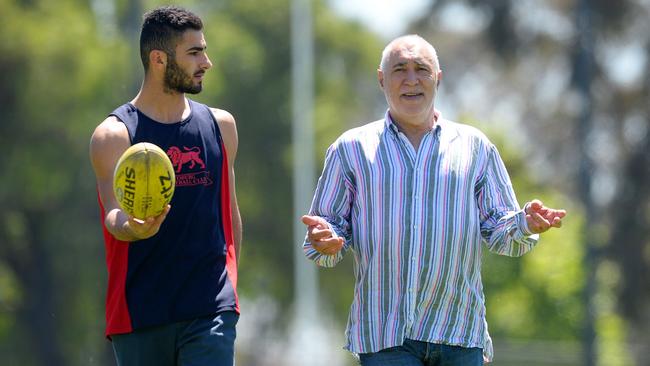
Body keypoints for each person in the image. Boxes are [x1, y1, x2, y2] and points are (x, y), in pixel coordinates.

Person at [301, 34, 566, 365]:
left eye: (421, 69)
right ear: (382, 79)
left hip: (459, 332)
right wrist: (326, 239)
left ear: (437, 78)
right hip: (385, 336)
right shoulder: (351, 149)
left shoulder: (475, 147)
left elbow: (501, 231)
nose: (411, 80)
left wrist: (525, 223)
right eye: (400, 69)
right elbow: (326, 231)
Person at [89, 6, 241, 366]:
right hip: (139, 312)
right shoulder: (113, 135)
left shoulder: (221, 127)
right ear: (159, 59)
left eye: (203, 50)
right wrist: (133, 227)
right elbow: (112, 213)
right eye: (194, 53)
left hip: (211, 308)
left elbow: (230, 216)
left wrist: (230, 292)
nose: (207, 62)